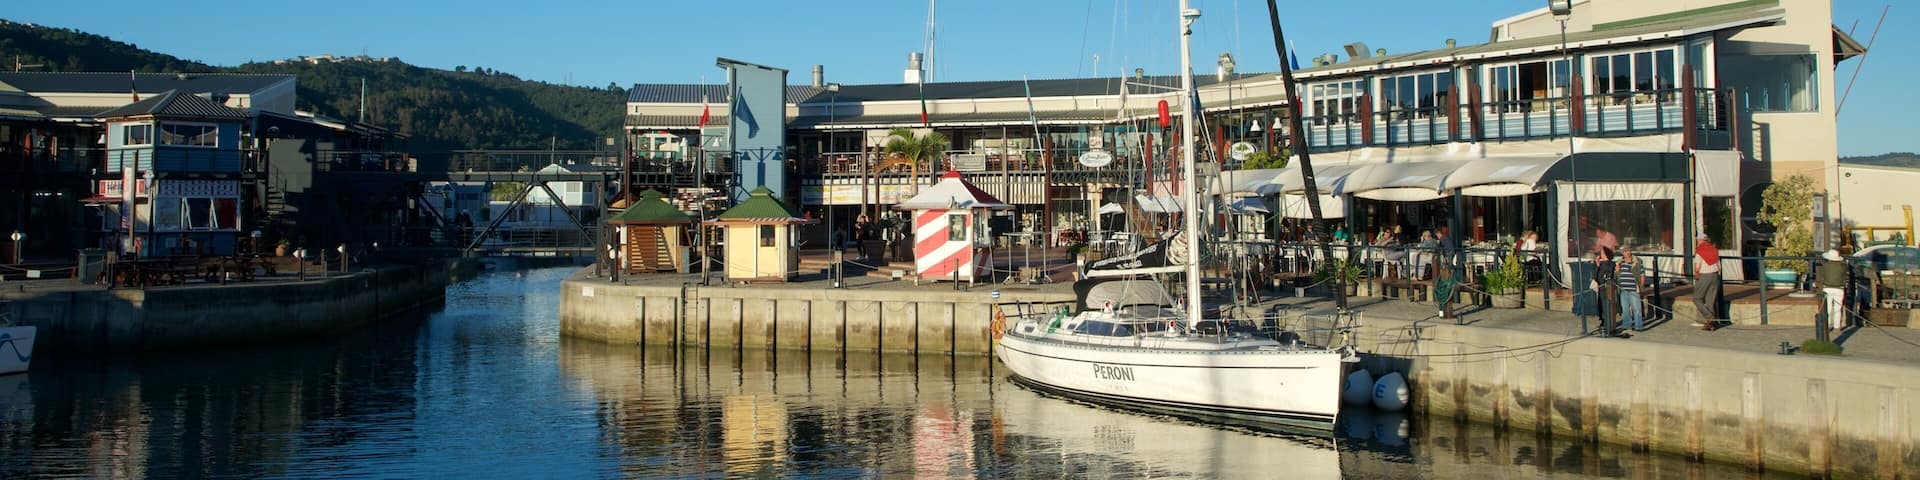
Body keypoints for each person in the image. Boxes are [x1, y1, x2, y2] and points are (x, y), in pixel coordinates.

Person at [1693, 234, 1722, 330]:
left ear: (1700, 241)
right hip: (1715, 275)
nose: (1697, 242)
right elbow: (1719, 266)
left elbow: (1697, 265)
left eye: (1698, 240)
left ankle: (1709, 317)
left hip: (1705, 275)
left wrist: (1696, 274)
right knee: (1710, 301)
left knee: (1697, 298)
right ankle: (1711, 325)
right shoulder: (1714, 249)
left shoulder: (1700, 250)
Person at [1816, 249, 1849, 335]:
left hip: (1827, 288)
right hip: (1839, 288)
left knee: (1828, 308)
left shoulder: (1825, 265)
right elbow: (1845, 276)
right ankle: (1837, 327)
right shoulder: (1843, 266)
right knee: (1838, 308)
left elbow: (1821, 275)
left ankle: (1826, 326)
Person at [1617, 247, 1645, 334]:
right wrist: (1617, 269)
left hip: (1633, 288)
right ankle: (1626, 325)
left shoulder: (1637, 261)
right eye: (1624, 251)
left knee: (1636, 309)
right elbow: (1617, 274)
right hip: (1623, 289)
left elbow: (1642, 274)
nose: (1626, 253)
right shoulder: (1619, 262)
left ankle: (1638, 326)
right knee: (1625, 309)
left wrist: (1641, 287)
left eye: (1628, 251)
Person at [1592, 247, 1618, 336]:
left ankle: (1607, 325)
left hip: (1606, 288)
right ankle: (1605, 323)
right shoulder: (1606, 264)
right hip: (1603, 287)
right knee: (1603, 306)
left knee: (1605, 306)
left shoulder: (1607, 264)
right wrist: (1598, 265)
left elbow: (1599, 276)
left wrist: (1598, 266)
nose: (1601, 255)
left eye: (1602, 253)